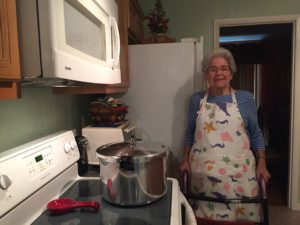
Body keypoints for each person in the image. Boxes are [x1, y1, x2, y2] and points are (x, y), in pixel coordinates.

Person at [179, 47, 271, 222]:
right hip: (204, 180)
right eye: (213, 69)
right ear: (206, 74)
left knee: (243, 220)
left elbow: (256, 134)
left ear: (231, 73)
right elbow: (190, 133)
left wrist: (262, 162)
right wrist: (184, 159)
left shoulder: (245, 99)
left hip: (241, 177)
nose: (218, 73)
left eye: (224, 68)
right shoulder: (196, 100)